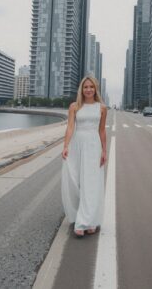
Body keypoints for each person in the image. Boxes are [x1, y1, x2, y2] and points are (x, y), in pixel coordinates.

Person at [61, 76, 108, 238]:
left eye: (91, 87)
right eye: (86, 87)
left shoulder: (102, 108)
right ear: (81, 89)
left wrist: (104, 151)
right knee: (77, 181)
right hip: (77, 145)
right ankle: (83, 216)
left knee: (91, 183)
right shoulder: (74, 106)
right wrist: (66, 146)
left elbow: (102, 131)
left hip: (94, 147)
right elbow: (70, 128)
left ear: (96, 89)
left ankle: (85, 221)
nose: (88, 90)